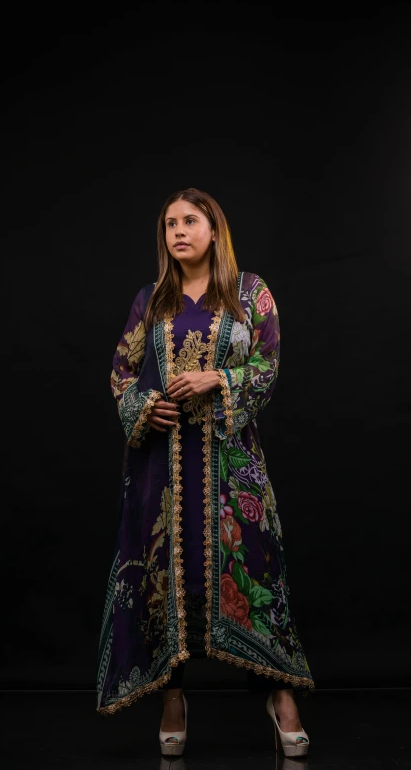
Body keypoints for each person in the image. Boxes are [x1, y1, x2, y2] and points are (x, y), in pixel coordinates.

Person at [96, 187, 314, 757]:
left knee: (255, 574)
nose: (178, 232)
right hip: (161, 467)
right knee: (168, 576)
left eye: (190, 221)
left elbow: (268, 361)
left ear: (214, 229)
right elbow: (121, 371)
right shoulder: (152, 299)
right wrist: (145, 406)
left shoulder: (249, 294)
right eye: (169, 224)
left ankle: (280, 693)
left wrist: (220, 380)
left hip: (230, 464)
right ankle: (173, 696)